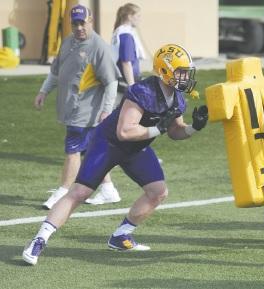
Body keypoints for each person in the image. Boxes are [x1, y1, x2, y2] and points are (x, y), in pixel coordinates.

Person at [22, 43, 209, 265]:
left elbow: (175, 131)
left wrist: (193, 128)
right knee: (80, 192)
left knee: (157, 192)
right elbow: (125, 131)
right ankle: (39, 239)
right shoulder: (143, 91)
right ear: (165, 70)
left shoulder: (177, 98)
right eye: (181, 72)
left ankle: (120, 236)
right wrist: (158, 128)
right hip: (108, 143)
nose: (186, 77)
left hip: (136, 149)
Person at [36, 5, 122, 209]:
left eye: (82, 22)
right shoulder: (67, 42)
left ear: (90, 21)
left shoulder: (100, 47)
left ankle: (63, 192)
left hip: (87, 110)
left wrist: (106, 110)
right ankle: (109, 189)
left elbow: (111, 82)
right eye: (75, 23)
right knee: (91, 150)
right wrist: (43, 91)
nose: (79, 27)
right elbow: (56, 72)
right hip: (70, 107)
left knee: (73, 149)